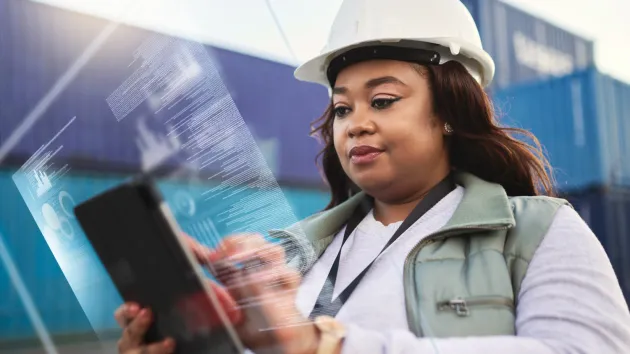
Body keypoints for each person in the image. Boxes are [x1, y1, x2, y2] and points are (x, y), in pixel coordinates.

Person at [113, 0, 630, 353]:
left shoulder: (538, 232)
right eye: (341, 109)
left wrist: (327, 343)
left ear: (451, 109)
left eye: (383, 100)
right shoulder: (288, 257)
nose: (355, 123)